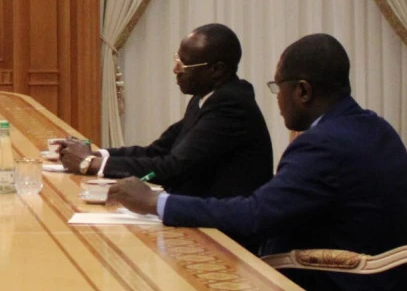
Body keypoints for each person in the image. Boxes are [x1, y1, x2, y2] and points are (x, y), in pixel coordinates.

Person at [109, 33, 407, 291]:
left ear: (303, 91)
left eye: (277, 88)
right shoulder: (377, 128)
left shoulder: (323, 145)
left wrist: (156, 202)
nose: (278, 99)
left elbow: (255, 216)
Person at [55, 23, 273, 200]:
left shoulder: (231, 106)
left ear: (216, 70)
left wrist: (91, 164)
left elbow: (173, 168)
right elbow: (157, 151)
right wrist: (97, 154)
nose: (175, 70)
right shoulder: (204, 98)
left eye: (184, 65)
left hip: (222, 229)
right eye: (177, 60)